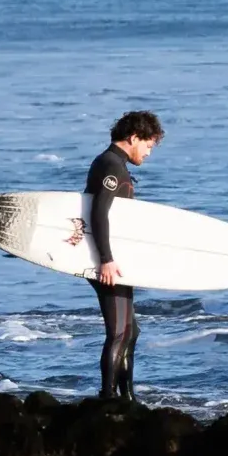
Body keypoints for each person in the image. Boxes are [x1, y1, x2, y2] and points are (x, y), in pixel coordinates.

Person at [84, 109, 165, 402]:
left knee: (131, 331)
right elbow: (98, 213)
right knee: (119, 332)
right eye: (148, 145)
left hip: (114, 260)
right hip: (106, 262)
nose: (149, 152)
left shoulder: (114, 163)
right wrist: (106, 259)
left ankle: (127, 396)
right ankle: (107, 398)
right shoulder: (111, 165)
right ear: (133, 138)